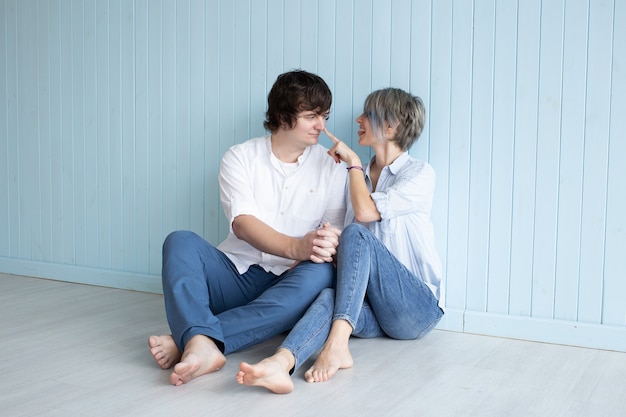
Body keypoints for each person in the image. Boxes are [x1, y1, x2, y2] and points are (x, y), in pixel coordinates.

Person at [236, 87, 444, 394]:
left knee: (356, 232)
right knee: (327, 297)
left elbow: (364, 213)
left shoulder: (420, 174)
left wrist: (353, 164)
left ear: (390, 127)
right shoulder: (356, 175)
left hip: (416, 310)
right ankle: (281, 363)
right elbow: (345, 246)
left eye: (367, 115)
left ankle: (336, 345)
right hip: (373, 309)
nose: (358, 119)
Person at [148, 69, 347, 386]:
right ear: (283, 115)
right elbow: (243, 224)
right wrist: (299, 246)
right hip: (234, 272)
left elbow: (333, 234)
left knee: (322, 274)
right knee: (179, 242)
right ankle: (201, 339)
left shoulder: (332, 167)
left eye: (323, 116)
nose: (321, 126)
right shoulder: (240, 157)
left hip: (289, 282)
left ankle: (196, 340)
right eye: (312, 116)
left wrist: (321, 246)